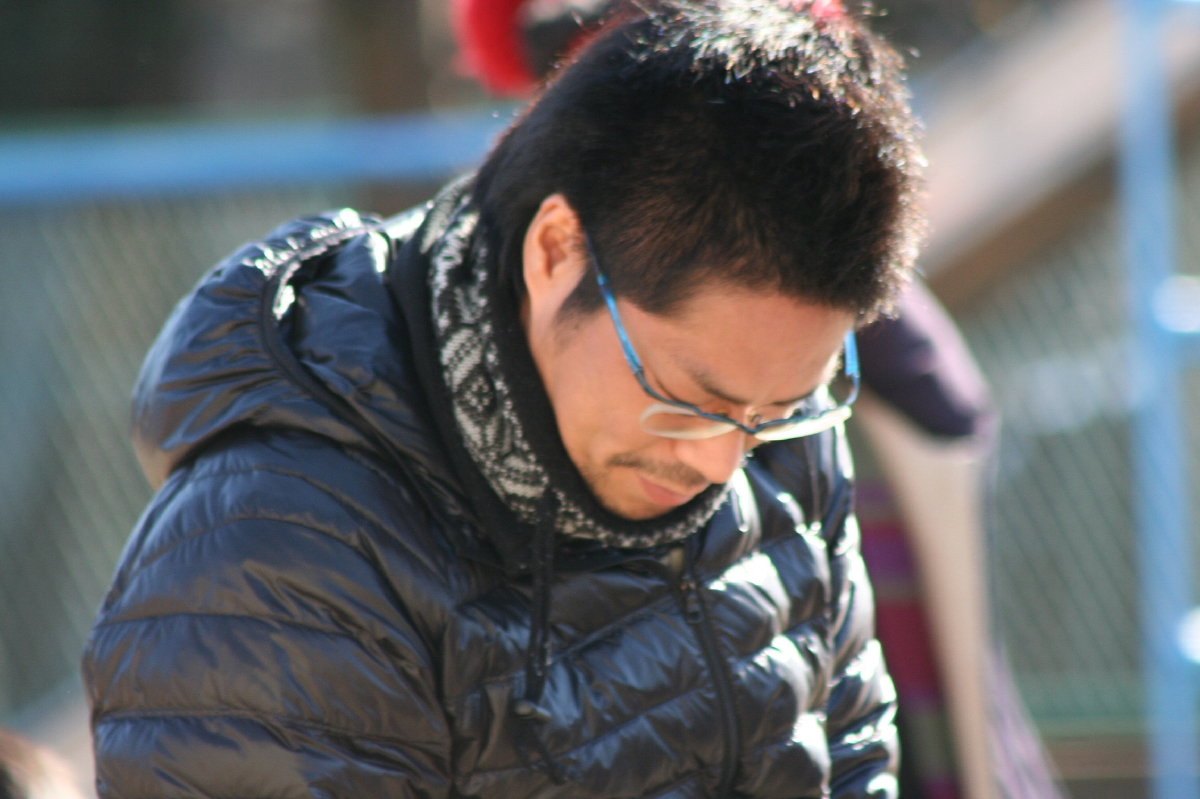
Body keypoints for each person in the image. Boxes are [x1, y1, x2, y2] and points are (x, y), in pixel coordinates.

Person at [82, 1, 924, 797]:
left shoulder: (766, 412)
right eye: (682, 397)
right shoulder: (282, 558)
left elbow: (852, 754)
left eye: (775, 412)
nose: (720, 460)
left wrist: (757, 413)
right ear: (555, 251)